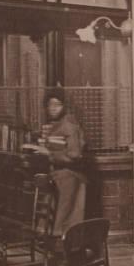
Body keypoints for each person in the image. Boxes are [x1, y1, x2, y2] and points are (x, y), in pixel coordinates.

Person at [30, 90, 87, 237]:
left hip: (70, 176)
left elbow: (75, 154)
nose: (53, 108)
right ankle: (57, 252)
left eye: (58, 104)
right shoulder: (56, 124)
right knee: (59, 218)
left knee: (64, 219)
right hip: (58, 175)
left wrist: (48, 153)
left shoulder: (68, 123)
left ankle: (62, 254)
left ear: (65, 106)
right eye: (50, 104)